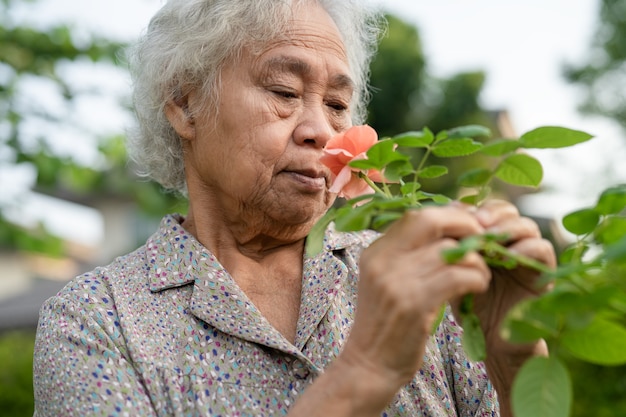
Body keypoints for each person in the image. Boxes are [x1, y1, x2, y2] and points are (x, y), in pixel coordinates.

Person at [33, 0, 555, 416]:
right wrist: (365, 371)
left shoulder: (420, 276)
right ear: (186, 106)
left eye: (336, 105)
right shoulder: (97, 320)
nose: (322, 132)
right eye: (284, 91)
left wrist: (515, 364)